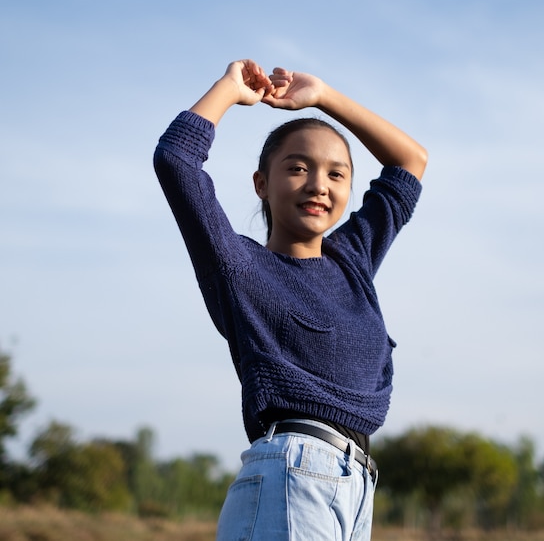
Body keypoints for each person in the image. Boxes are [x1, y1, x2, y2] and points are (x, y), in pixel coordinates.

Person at [154, 59, 428, 540]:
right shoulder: (240, 266)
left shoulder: (353, 258)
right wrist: (228, 89)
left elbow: (411, 163)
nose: (319, 185)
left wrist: (323, 95)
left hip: (356, 483)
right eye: (298, 168)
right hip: (294, 472)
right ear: (262, 184)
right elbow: (176, 159)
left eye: (336, 174)